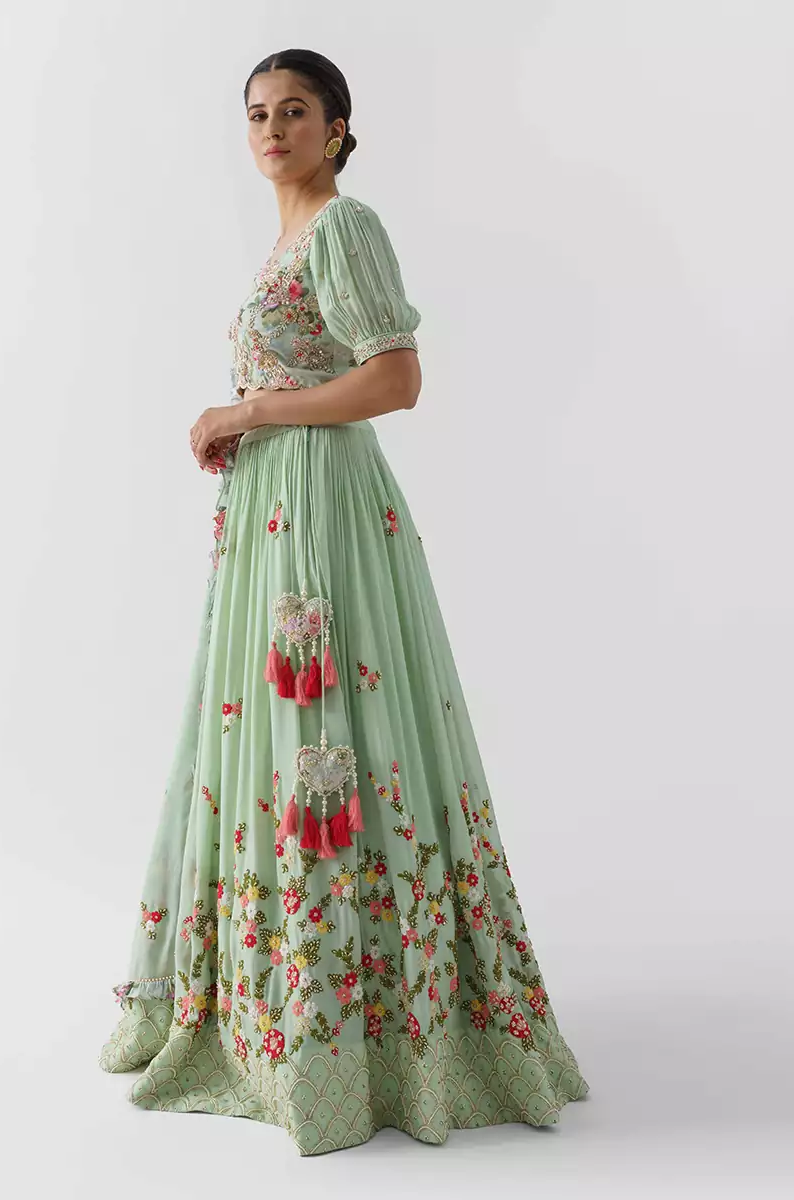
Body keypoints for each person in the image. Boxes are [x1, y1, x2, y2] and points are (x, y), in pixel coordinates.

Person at [98, 47, 589, 1156]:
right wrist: (244, 426)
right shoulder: (286, 242)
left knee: (324, 732)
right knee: (275, 738)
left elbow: (395, 377)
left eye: (295, 111)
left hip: (321, 515)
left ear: (338, 128)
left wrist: (249, 412)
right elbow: (312, 377)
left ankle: (367, 1037)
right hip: (276, 509)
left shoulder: (343, 226)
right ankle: (286, 1015)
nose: (273, 129)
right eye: (257, 114)